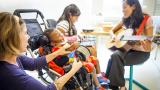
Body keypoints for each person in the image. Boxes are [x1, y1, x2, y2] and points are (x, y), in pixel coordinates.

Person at [0, 12, 82, 90]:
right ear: (12, 39)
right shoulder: (11, 75)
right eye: (25, 33)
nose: (28, 37)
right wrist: (73, 70)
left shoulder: (12, 56)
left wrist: (58, 52)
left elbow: (33, 63)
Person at [56, 4, 109, 85]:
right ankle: (96, 76)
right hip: (68, 51)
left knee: (92, 48)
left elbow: (67, 37)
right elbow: (59, 40)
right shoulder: (63, 24)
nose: (77, 20)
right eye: (76, 17)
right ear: (70, 15)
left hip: (71, 47)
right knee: (92, 50)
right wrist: (75, 38)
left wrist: (77, 37)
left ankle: (97, 75)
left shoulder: (68, 23)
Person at [105, 0, 153, 90]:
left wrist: (144, 42)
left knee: (114, 59)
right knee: (114, 56)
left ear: (133, 6)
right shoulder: (126, 18)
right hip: (128, 48)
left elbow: (149, 46)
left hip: (142, 53)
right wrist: (113, 36)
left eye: (124, 7)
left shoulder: (146, 19)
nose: (122, 10)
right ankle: (121, 86)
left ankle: (112, 84)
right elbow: (111, 30)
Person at [41, 29, 105, 90]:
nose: (61, 35)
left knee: (94, 59)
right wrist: (72, 48)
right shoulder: (55, 50)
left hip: (74, 60)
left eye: (60, 33)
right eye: (58, 35)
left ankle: (98, 77)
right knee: (91, 66)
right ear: (52, 43)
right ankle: (97, 85)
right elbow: (62, 60)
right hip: (70, 65)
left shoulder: (61, 44)